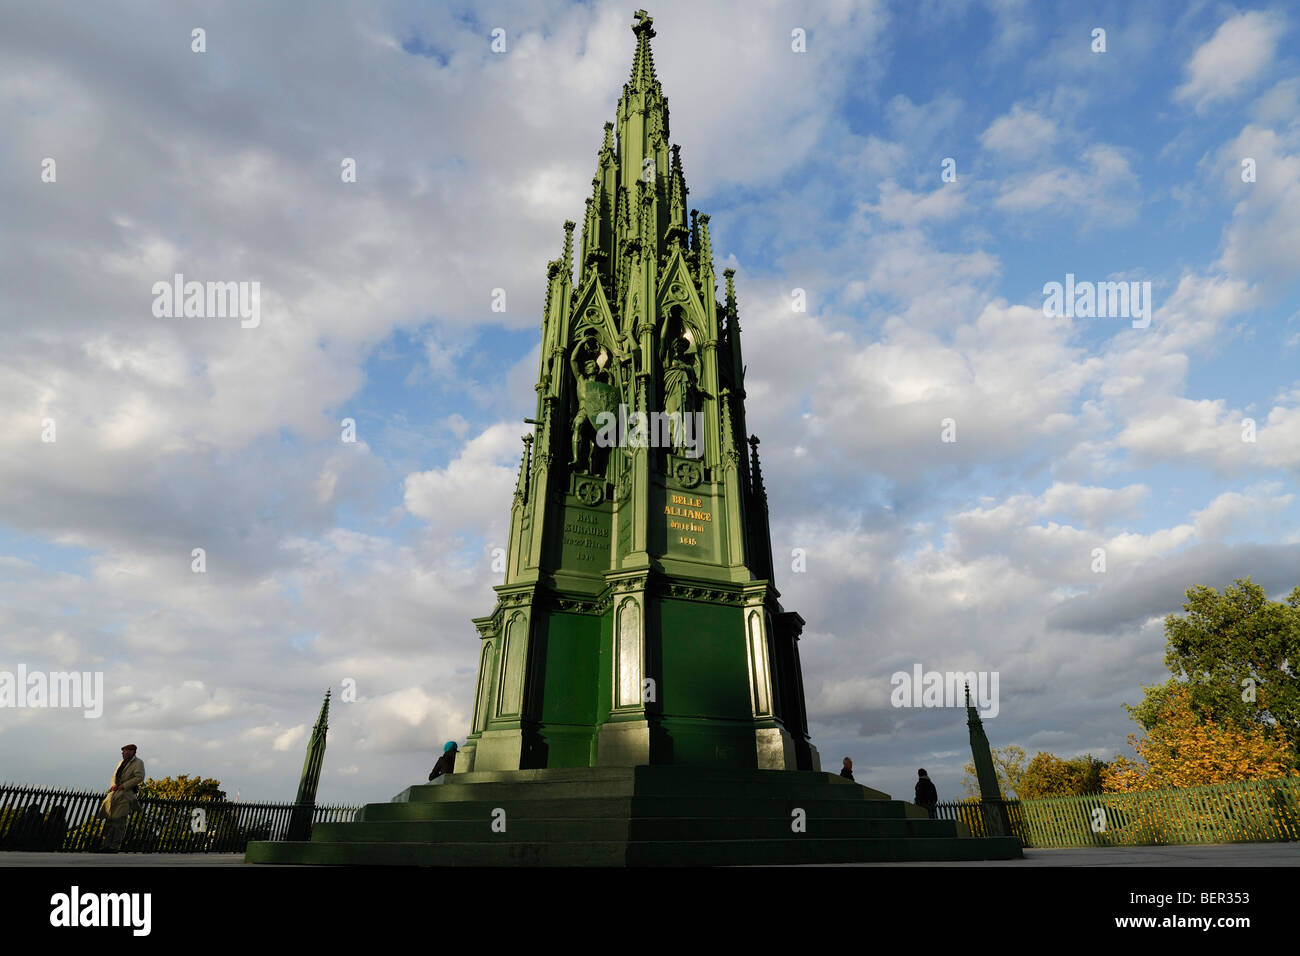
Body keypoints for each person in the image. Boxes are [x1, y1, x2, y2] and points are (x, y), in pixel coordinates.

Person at [95, 744, 145, 852]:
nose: (122, 753)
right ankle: (106, 845)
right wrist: (113, 784)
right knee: (110, 821)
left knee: (119, 822)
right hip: (114, 794)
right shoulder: (120, 763)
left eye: (125, 751)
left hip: (125, 795)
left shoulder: (138, 763)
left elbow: (139, 777)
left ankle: (114, 846)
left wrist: (125, 785)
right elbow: (114, 776)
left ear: (132, 752)